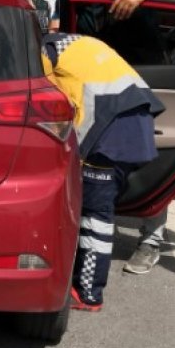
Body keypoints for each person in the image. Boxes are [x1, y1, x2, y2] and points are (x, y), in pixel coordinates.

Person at [48, 0, 175, 276]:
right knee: (91, 162)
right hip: (96, 92)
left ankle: (151, 239)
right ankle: (84, 229)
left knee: (149, 160)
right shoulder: (69, 1)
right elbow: (61, 34)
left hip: (145, 86)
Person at [42, 33, 163, 311]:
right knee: (97, 211)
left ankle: (88, 293)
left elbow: (70, 108)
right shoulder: (73, 43)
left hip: (110, 134)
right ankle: (86, 286)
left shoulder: (46, 53)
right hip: (135, 126)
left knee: (95, 215)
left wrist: (74, 159)